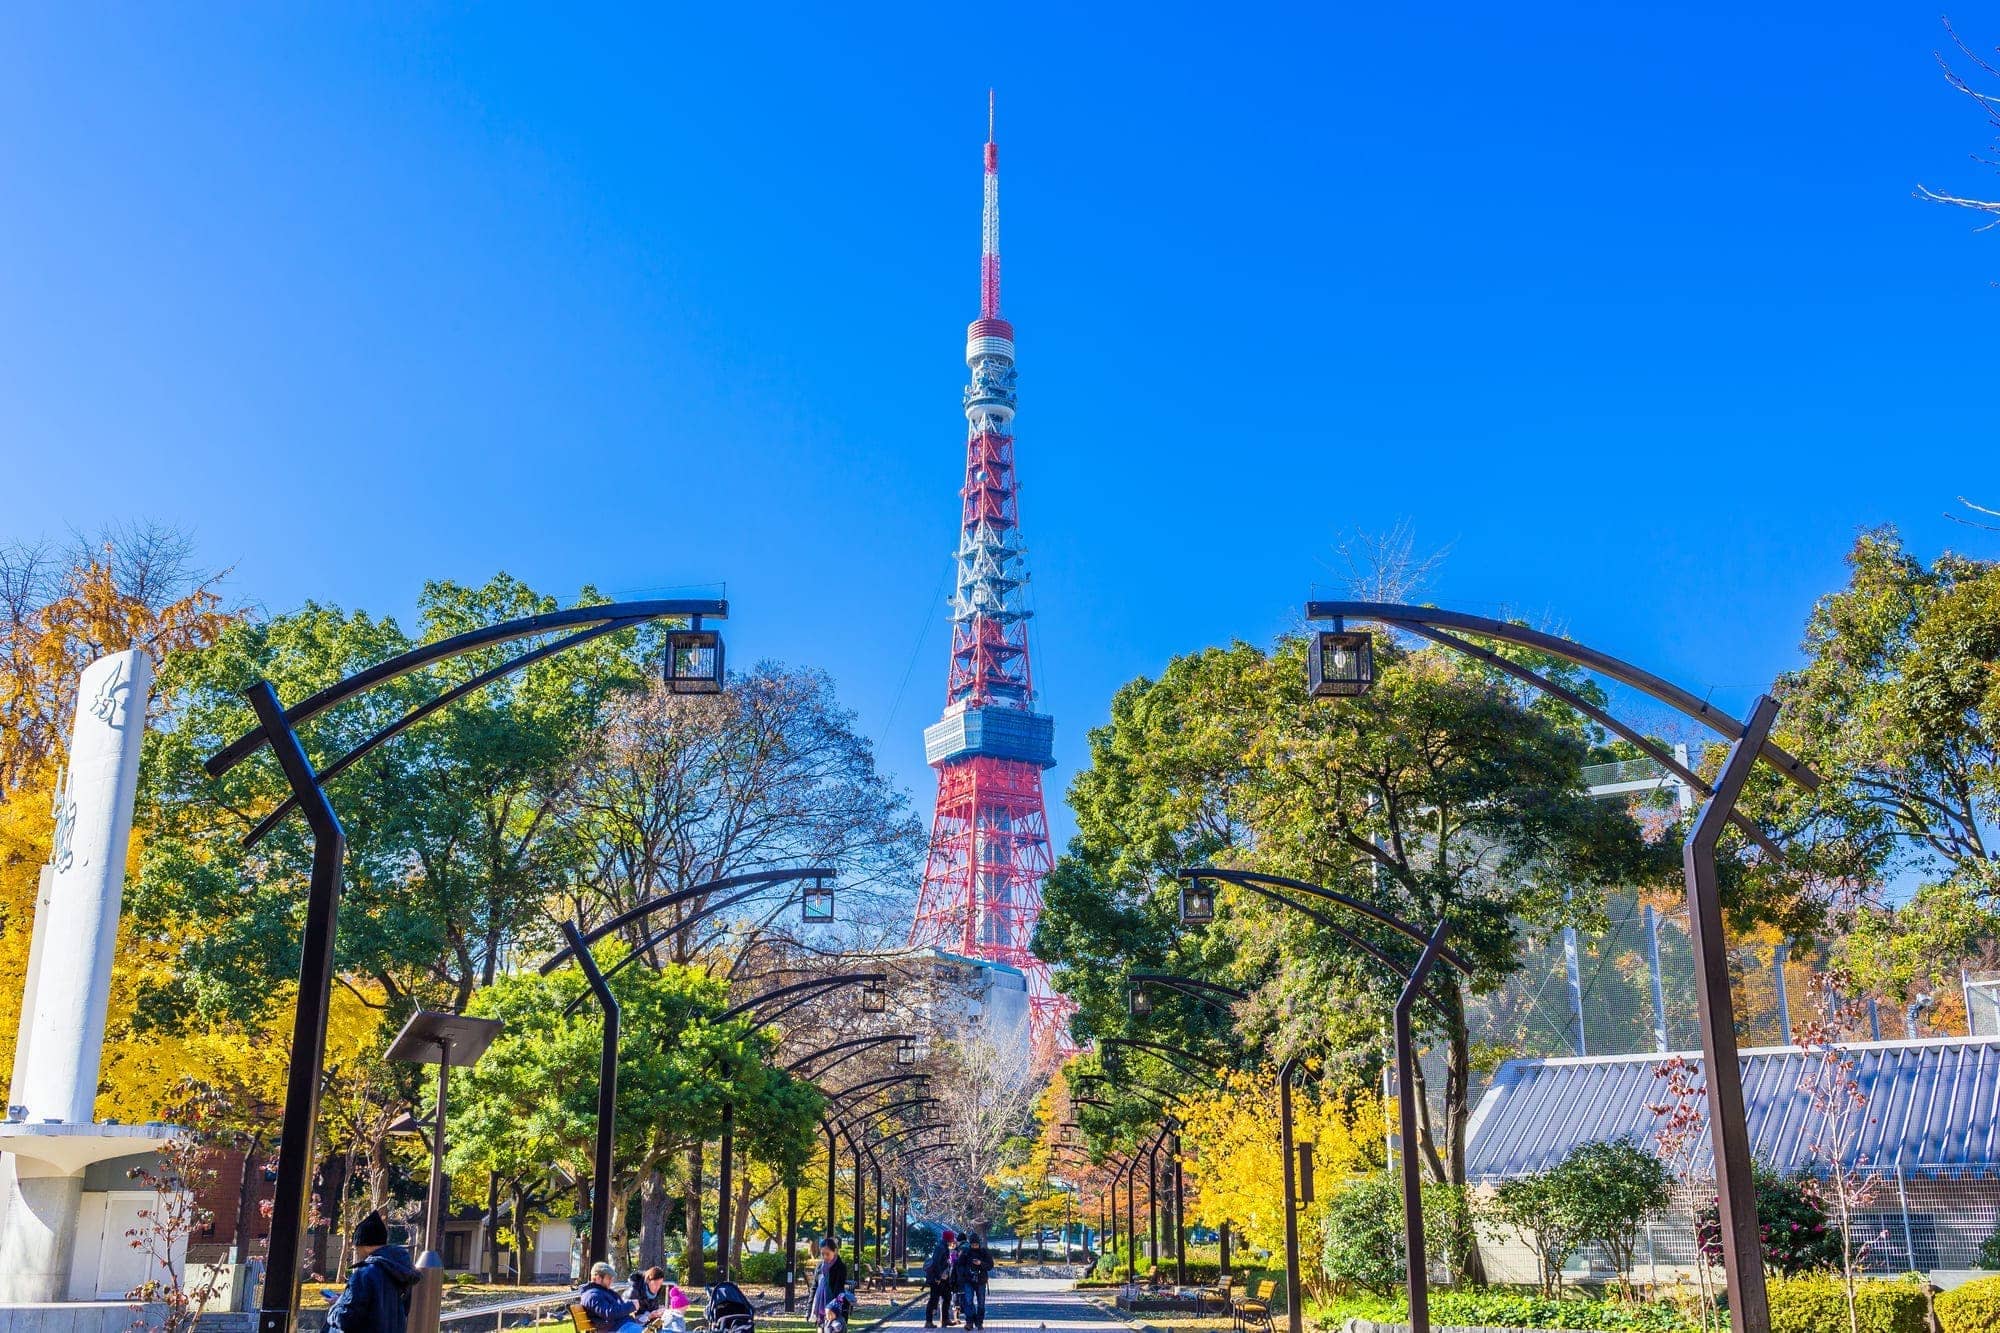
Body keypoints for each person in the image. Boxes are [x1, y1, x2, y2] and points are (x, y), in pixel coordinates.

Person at [325, 1211, 419, 1333]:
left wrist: (336, 1305)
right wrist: (344, 1298)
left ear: (362, 1244)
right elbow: (403, 1311)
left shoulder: (364, 1274)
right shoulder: (401, 1271)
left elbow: (345, 1318)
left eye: (355, 1247)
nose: (356, 1250)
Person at [578, 1260, 657, 1333]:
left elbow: (617, 1308)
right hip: (617, 1329)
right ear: (598, 1278)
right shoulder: (592, 1295)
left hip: (623, 1326)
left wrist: (632, 1306)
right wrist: (631, 1305)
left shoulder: (603, 1292)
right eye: (609, 1278)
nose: (611, 1281)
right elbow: (609, 1313)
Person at [953, 1233, 993, 1331]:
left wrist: (981, 1263)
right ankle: (969, 1321)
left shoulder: (984, 1252)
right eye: (973, 1245)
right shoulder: (966, 1252)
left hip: (981, 1280)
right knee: (968, 1301)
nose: (974, 1246)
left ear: (979, 1244)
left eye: (976, 1245)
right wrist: (964, 1273)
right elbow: (959, 1264)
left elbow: (990, 1265)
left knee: (981, 1303)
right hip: (968, 1280)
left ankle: (979, 1322)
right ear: (970, 1244)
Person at [810, 1236, 850, 1332]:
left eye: (827, 1254)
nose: (825, 1257)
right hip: (820, 1308)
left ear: (835, 1251)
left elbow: (839, 1289)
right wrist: (809, 1310)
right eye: (822, 1254)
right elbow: (814, 1288)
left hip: (834, 1308)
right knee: (820, 1329)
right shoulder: (820, 1267)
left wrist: (831, 1307)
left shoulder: (840, 1267)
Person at [923, 1230, 957, 1328]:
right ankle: (928, 1321)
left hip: (944, 1277)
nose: (952, 1241)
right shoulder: (941, 1247)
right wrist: (938, 1277)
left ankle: (945, 1319)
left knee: (947, 1297)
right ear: (948, 1239)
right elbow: (936, 1263)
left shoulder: (943, 1246)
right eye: (951, 1239)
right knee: (934, 1299)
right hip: (938, 1278)